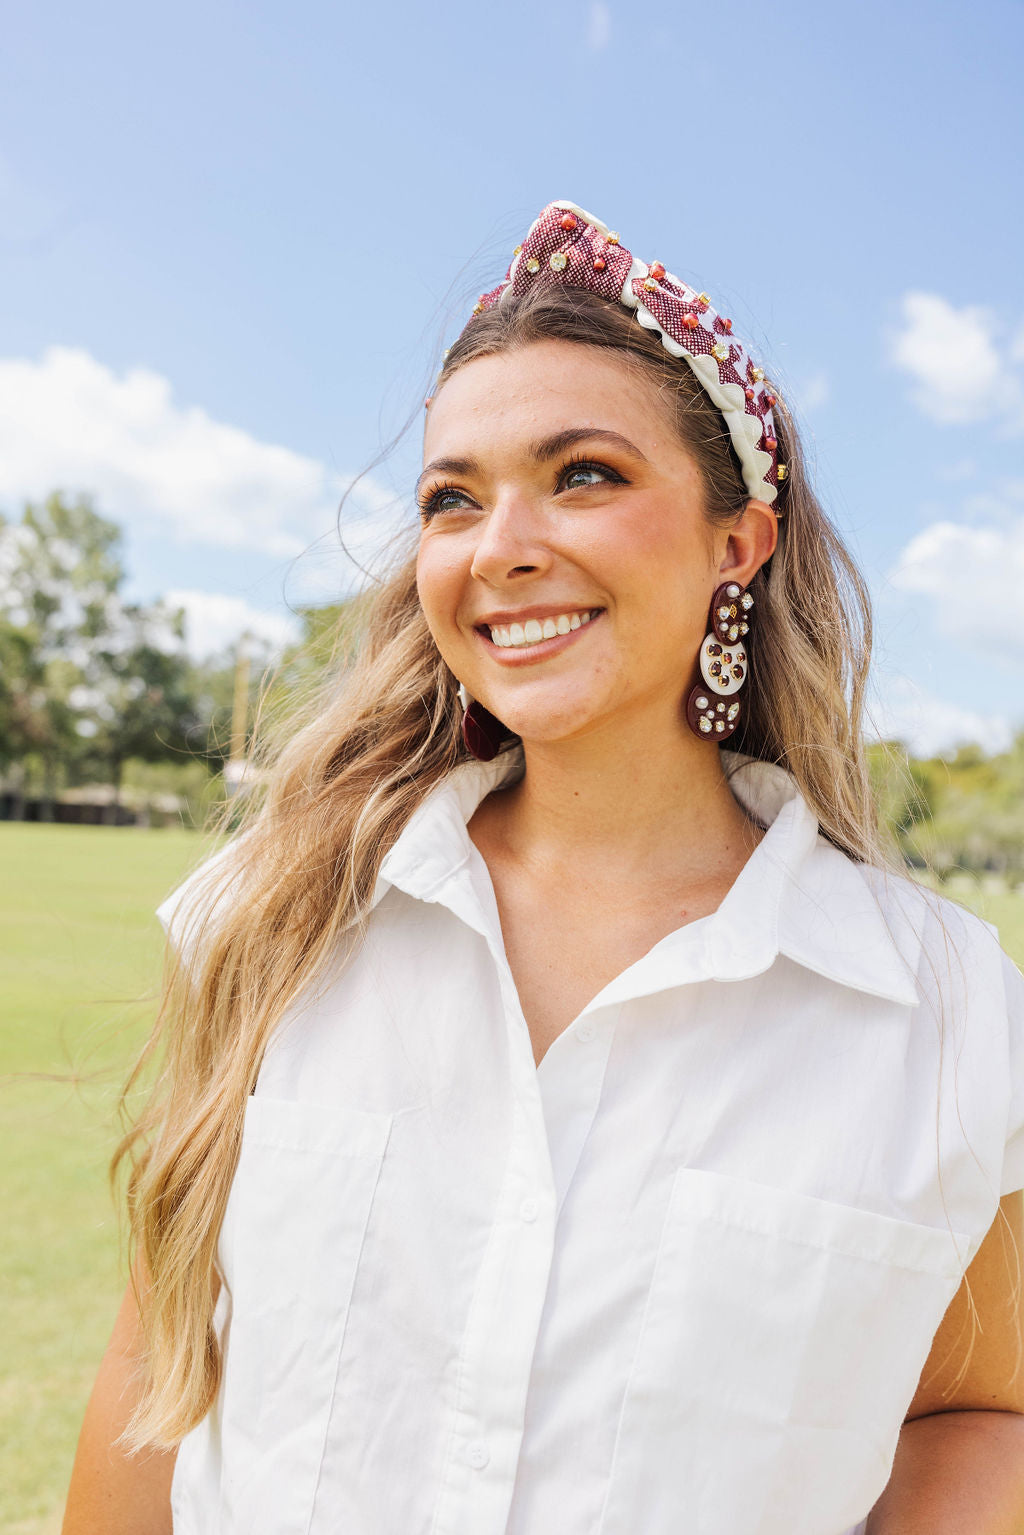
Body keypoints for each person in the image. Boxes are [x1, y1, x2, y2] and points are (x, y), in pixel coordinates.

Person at [63, 200, 1024, 1535]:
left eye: (583, 475)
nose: (501, 544)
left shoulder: (949, 1010)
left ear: (736, 540)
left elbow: (979, 1411)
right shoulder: (271, 921)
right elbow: (161, 1365)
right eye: (452, 498)